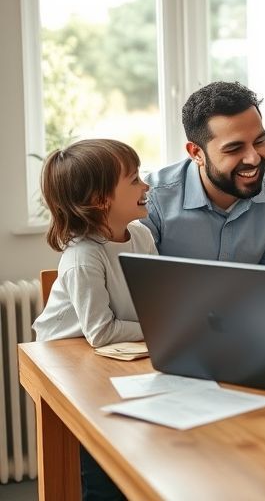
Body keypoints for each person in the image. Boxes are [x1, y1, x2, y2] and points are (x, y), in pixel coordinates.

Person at [32, 138, 157, 501]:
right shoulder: (83, 257)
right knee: (98, 464)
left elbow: (151, 303)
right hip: (67, 361)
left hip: (112, 351)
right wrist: (162, 327)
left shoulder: (142, 236)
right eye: (134, 180)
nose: (145, 185)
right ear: (101, 200)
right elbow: (100, 332)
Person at [142, 81, 265, 265]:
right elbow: (139, 287)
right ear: (196, 153)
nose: (253, 159)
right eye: (234, 148)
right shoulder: (152, 198)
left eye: (259, 141)